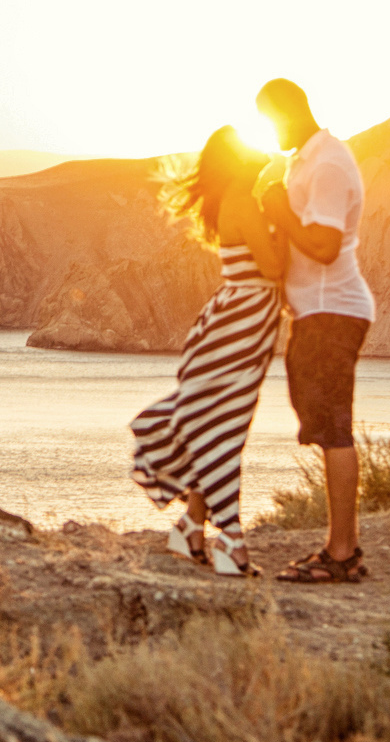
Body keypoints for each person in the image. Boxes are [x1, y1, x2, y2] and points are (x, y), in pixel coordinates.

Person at [129, 125, 287, 577]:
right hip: (239, 325)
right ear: (237, 162)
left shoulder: (240, 198)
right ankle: (231, 541)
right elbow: (273, 268)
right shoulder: (244, 199)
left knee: (218, 425)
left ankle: (191, 527)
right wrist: (286, 216)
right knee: (225, 429)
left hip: (241, 323)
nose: (264, 150)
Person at [254, 77, 375, 583]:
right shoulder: (305, 158)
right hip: (318, 312)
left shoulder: (325, 162)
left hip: (332, 310)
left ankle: (343, 555)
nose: (268, 132)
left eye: (269, 120)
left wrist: (280, 209)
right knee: (326, 428)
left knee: (333, 430)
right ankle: (338, 548)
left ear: (288, 111)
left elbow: (324, 245)